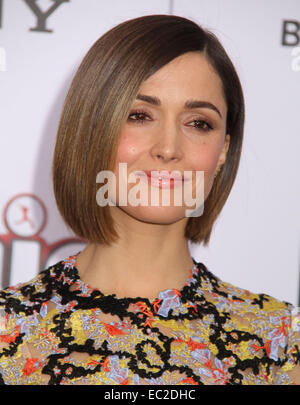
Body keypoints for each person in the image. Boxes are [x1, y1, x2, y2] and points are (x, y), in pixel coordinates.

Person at [0, 14, 299, 385]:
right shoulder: (8, 331)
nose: (169, 148)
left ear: (223, 150)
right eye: (139, 115)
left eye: (198, 123)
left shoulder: (280, 341)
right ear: (93, 127)